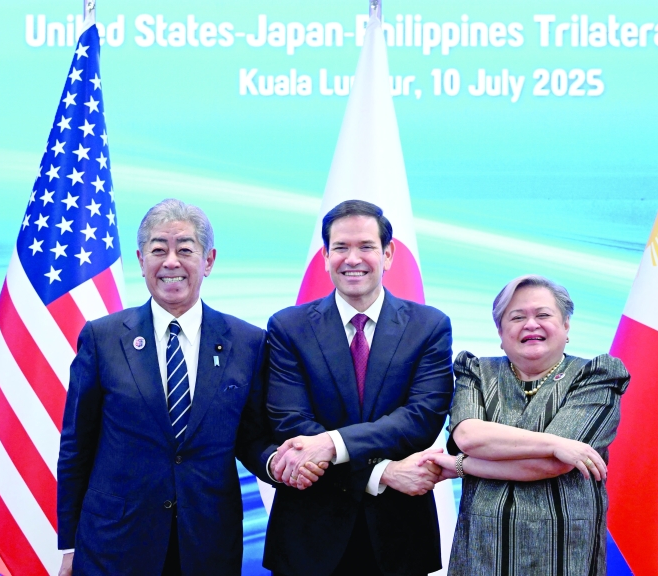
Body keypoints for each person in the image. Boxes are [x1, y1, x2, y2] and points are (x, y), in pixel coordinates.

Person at [56, 199, 307, 576]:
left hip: (206, 542)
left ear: (208, 261)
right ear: (141, 261)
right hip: (114, 543)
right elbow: (77, 446)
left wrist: (277, 462)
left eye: (185, 250)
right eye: (158, 250)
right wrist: (70, 545)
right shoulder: (102, 338)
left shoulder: (248, 342)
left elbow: (251, 437)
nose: (171, 262)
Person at [263, 199, 455, 576]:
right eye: (341, 248)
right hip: (309, 536)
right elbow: (291, 424)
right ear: (325, 257)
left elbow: (421, 419)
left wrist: (332, 444)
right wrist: (379, 473)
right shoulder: (288, 328)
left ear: (387, 254)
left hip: (400, 536)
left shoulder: (429, 327)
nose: (353, 258)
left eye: (366, 246)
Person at [419, 275, 630, 576]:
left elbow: (548, 466)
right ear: (500, 331)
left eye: (543, 315)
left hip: (563, 552)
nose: (531, 325)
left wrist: (460, 465)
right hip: (482, 550)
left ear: (566, 326)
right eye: (517, 317)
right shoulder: (476, 371)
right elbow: (469, 436)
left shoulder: (597, 376)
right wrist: (556, 443)